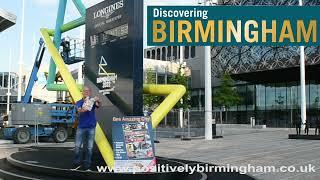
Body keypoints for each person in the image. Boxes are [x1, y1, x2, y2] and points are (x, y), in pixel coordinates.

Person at [73, 86, 101, 170]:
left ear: (90, 92)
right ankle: (77, 163)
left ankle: (87, 165)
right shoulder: (79, 102)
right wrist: (86, 106)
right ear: (82, 92)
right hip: (81, 127)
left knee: (89, 147)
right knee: (77, 146)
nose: (86, 92)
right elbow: (79, 111)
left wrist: (98, 100)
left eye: (88, 91)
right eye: (84, 91)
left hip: (91, 127)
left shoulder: (92, 101)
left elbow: (99, 105)